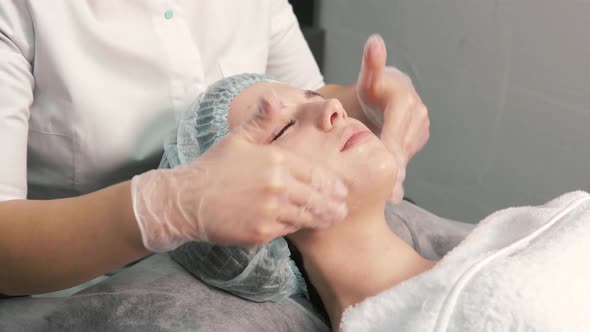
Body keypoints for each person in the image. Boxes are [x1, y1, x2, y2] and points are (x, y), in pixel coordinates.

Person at [0, 2, 429, 296]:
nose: (334, 110)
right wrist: (168, 205)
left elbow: (308, 94)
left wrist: (369, 102)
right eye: (278, 133)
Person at [171, 73, 590, 331]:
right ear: (251, 219)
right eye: (282, 128)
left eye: (313, 98)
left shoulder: (500, 239)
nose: (335, 106)